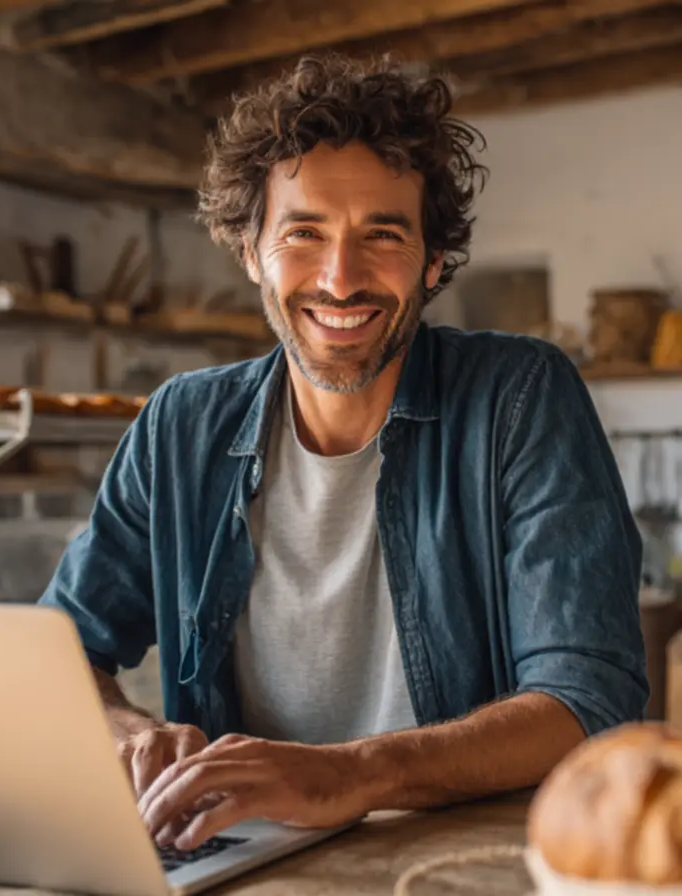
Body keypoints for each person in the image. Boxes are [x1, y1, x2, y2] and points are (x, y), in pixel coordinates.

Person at [38, 54, 648, 853]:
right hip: (239, 860)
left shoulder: (519, 396)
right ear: (249, 250)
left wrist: (350, 774)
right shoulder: (179, 425)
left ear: (433, 261)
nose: (340, 278)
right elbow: (57, 650)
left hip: (463, 862)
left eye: (383, 235)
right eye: (304, 233)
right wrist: (128, 733)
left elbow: (589, 699)